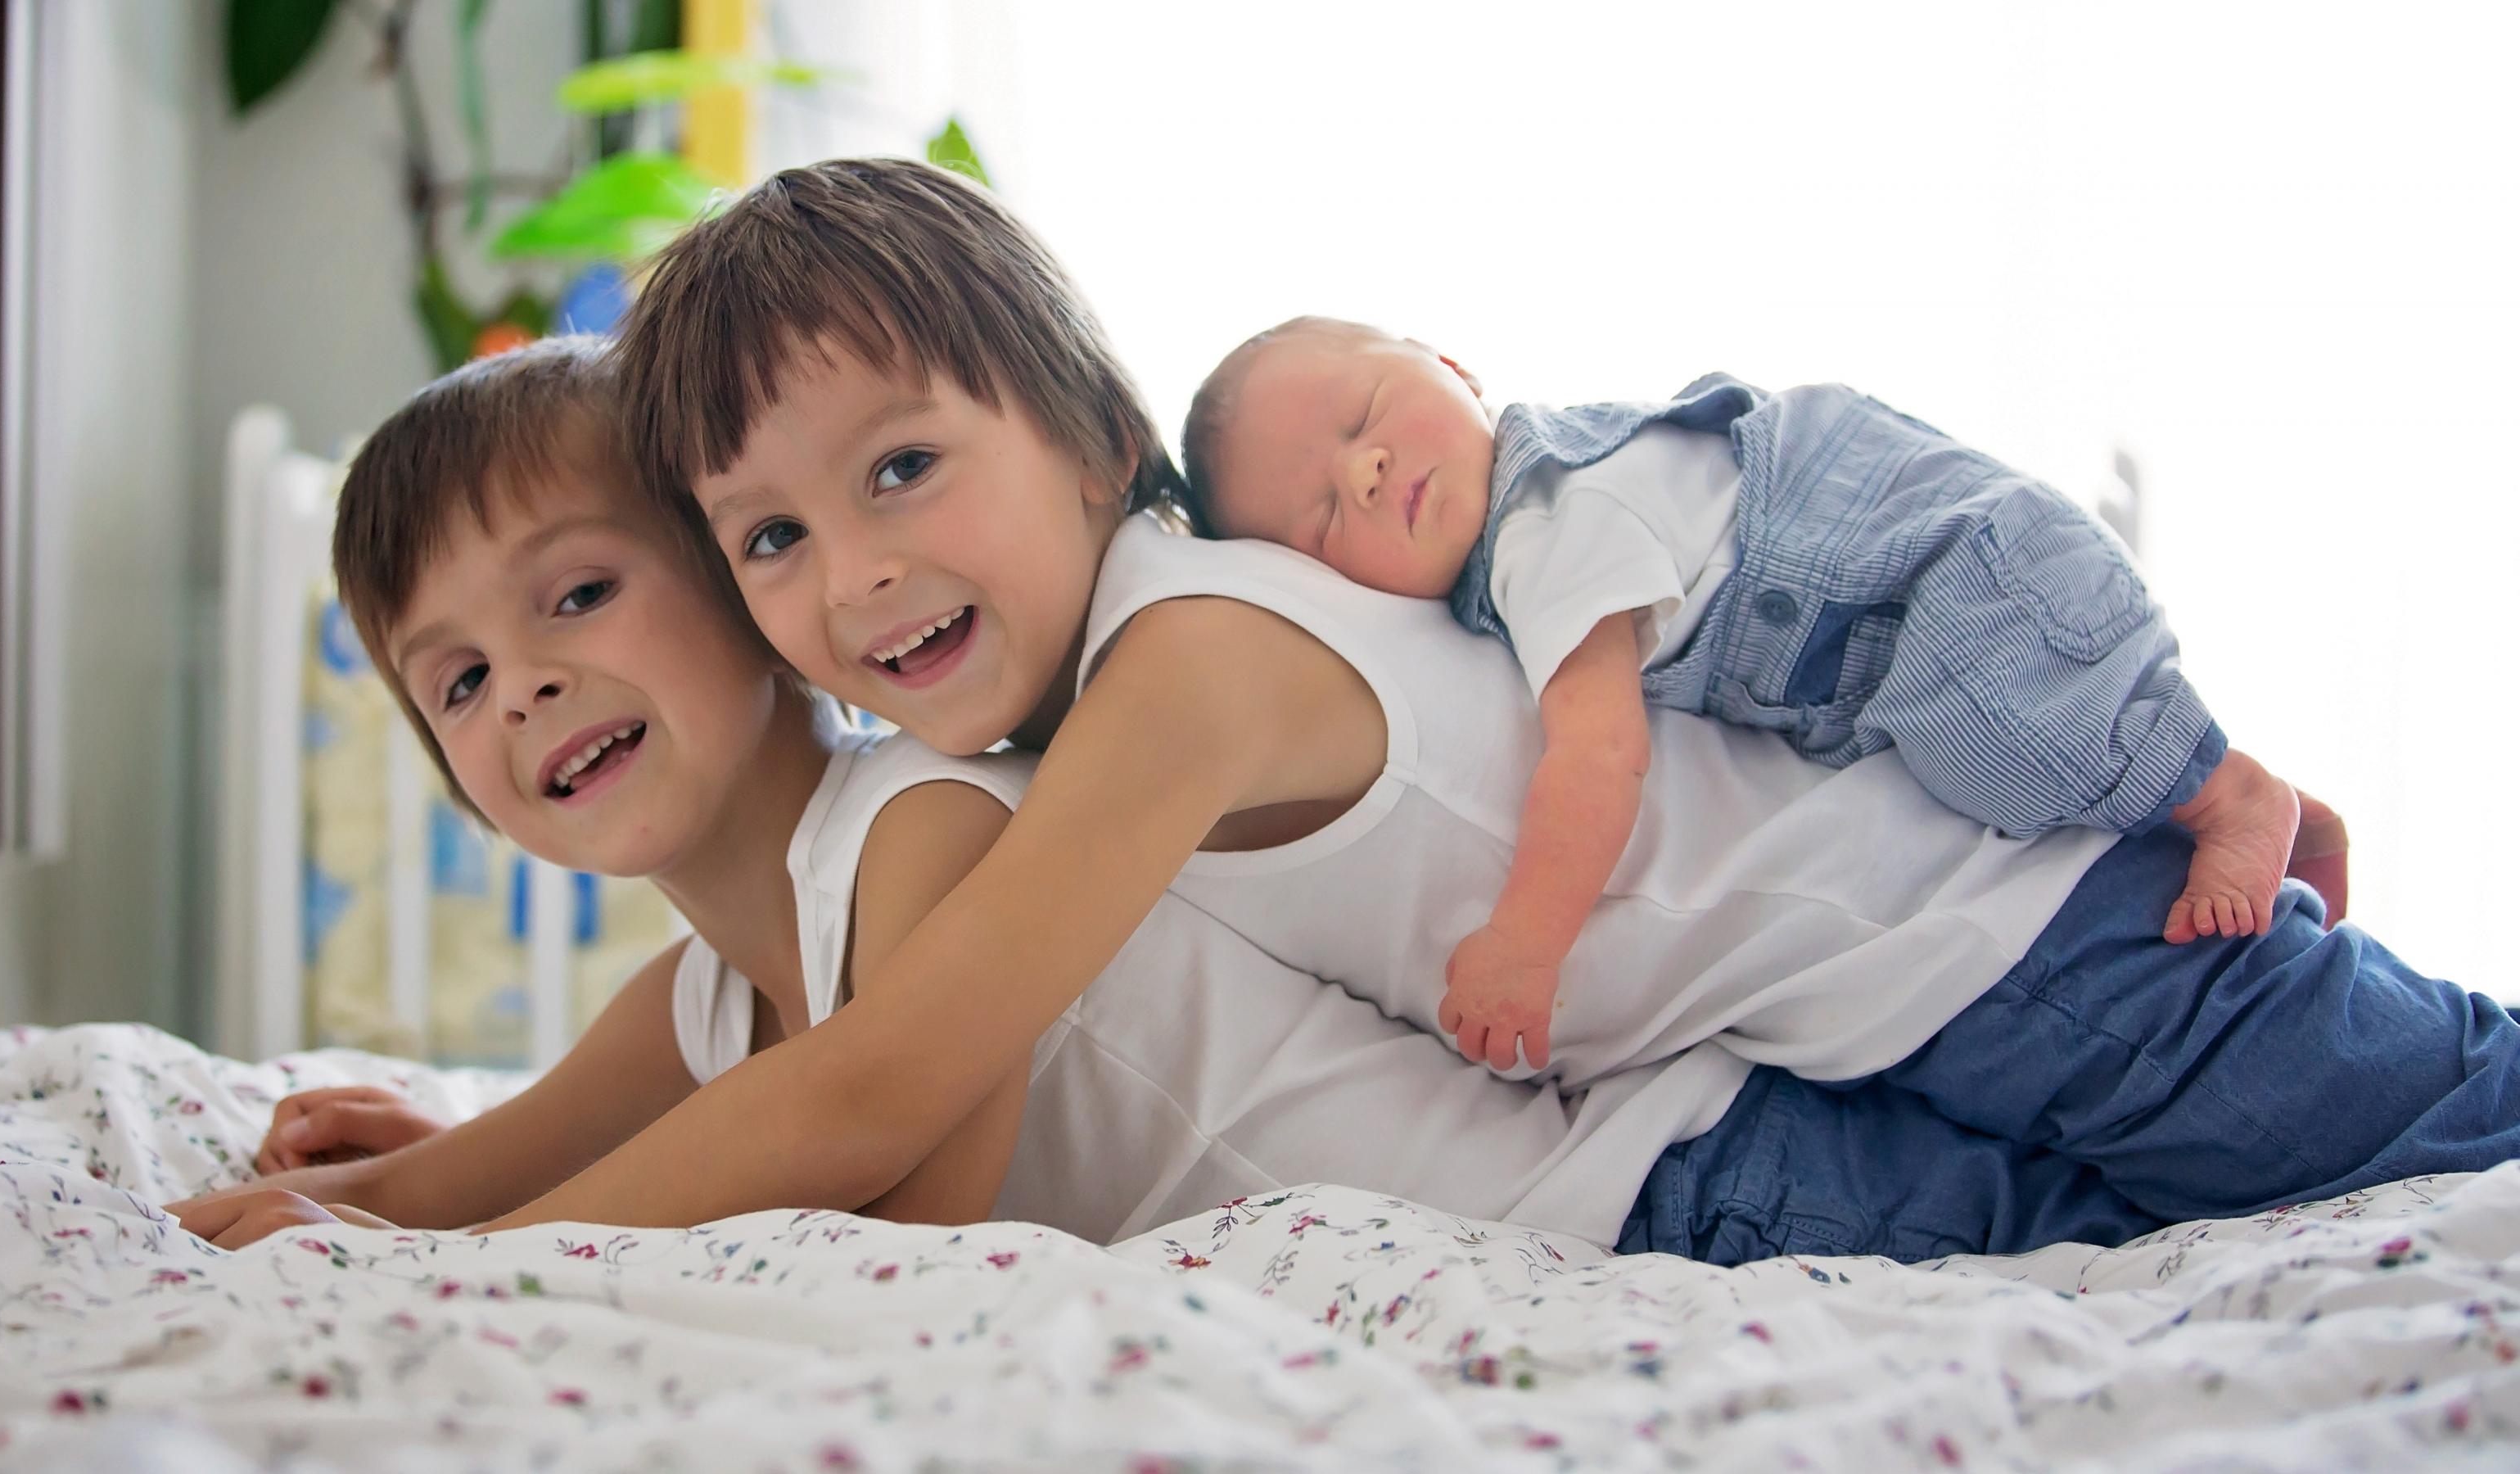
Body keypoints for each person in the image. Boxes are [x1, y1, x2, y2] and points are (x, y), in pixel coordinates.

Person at [569, 156, 2519, 1265]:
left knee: (2441, 1126)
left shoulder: (1184, 664)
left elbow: (894, 1074)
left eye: (902, 469)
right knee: (2205, 1238)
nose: (855, 577)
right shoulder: (1112, 679)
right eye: (770, 538)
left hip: (1987, 930)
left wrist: (468, 1257)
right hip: (1821, 1037)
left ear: (1090, 438)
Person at [169, 336, 1735, 1255]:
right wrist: (382, 1199)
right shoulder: (701, 1003)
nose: (520, 688)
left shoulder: (923, 823)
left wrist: (449, 1264)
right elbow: (434, 1190)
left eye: (578, 595)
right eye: (456, 683)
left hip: (1605, 1209)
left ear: (745, 585)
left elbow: (891, 1215)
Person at [1177, 317, 2351, 1066]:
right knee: (2029, 770)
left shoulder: (1549, 530)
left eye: (1364, 415)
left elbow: (1598, 756)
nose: (1365, 470)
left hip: (1954, 578)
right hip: (1934, 567)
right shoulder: (1547, 509)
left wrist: (1525, 944)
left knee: (2004, 745)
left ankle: (2231, 794)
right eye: (1321, 517)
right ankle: (2254, 811)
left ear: (1451, 365)